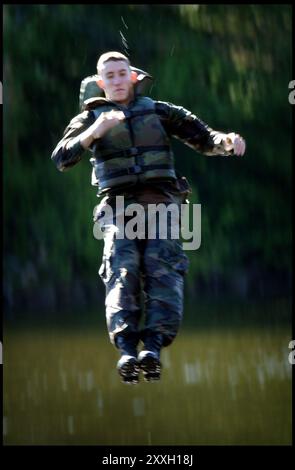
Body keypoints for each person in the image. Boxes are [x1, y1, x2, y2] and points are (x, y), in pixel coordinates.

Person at [51, 51, 246, 385]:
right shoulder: (89, 118)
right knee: (123, 270)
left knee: (162, 270)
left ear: (133, 77)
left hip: (162, 205)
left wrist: (226, 142)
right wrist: (95, 131)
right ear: (101, 82)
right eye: (109, 75)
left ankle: (153, 347)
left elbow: (203, 137)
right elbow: (61, 158)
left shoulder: (159, 111)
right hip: (118, 209)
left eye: (121, 73)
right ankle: (126, 348)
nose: (116, 80)